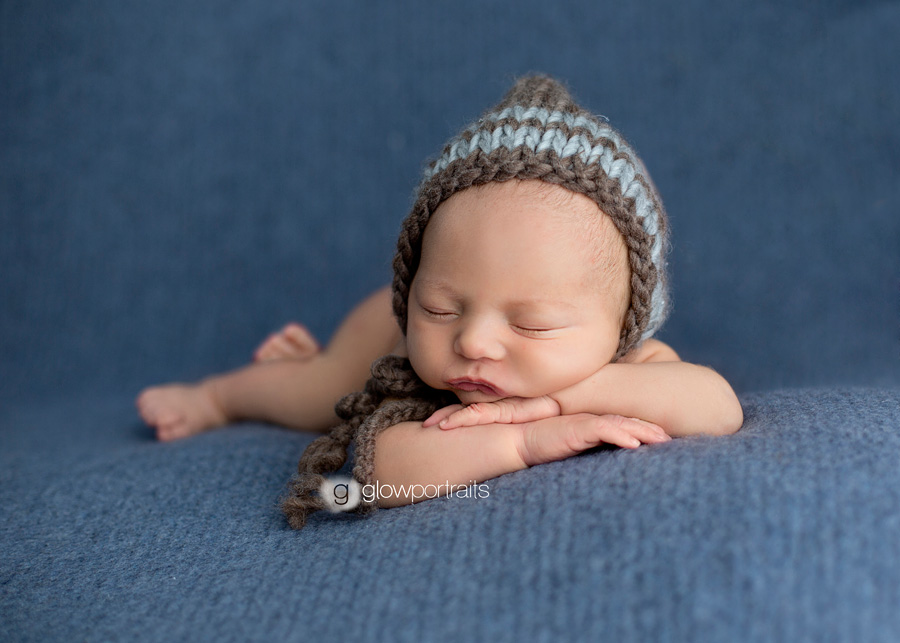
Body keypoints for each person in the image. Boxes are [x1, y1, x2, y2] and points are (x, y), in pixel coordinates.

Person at [137, 76, 743, 528]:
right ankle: (218, 396)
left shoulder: (626, 362)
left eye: (531, 324)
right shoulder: (418, 369)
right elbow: (385, 475)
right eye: (440, 308)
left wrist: (559, 400)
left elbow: (717, 408)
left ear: (623, 326)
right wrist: (522, 442)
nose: (472, 341)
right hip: (372, 340)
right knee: (316, 394)